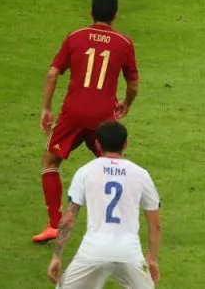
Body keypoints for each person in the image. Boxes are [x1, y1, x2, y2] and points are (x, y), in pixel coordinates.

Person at [33, 0, 140, 243]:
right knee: (114, 167)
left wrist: (46, 108)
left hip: (72, 114)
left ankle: (53, 224)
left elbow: (52, 75)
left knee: (50, 162)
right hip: (103, 116)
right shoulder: (124, 43)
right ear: (115, 15)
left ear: (91, 13)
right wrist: (126, 104)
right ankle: (121, 224)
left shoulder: (75, 37)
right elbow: (133, 84)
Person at [47, 121, 161, 288]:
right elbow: (156, 225)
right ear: (126, 144)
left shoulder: (85, 172)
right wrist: (151, 258)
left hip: (93, 251)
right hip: (128, 253)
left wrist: (57, 256)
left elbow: (69, 219)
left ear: (98, 144)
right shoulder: (141, 175)